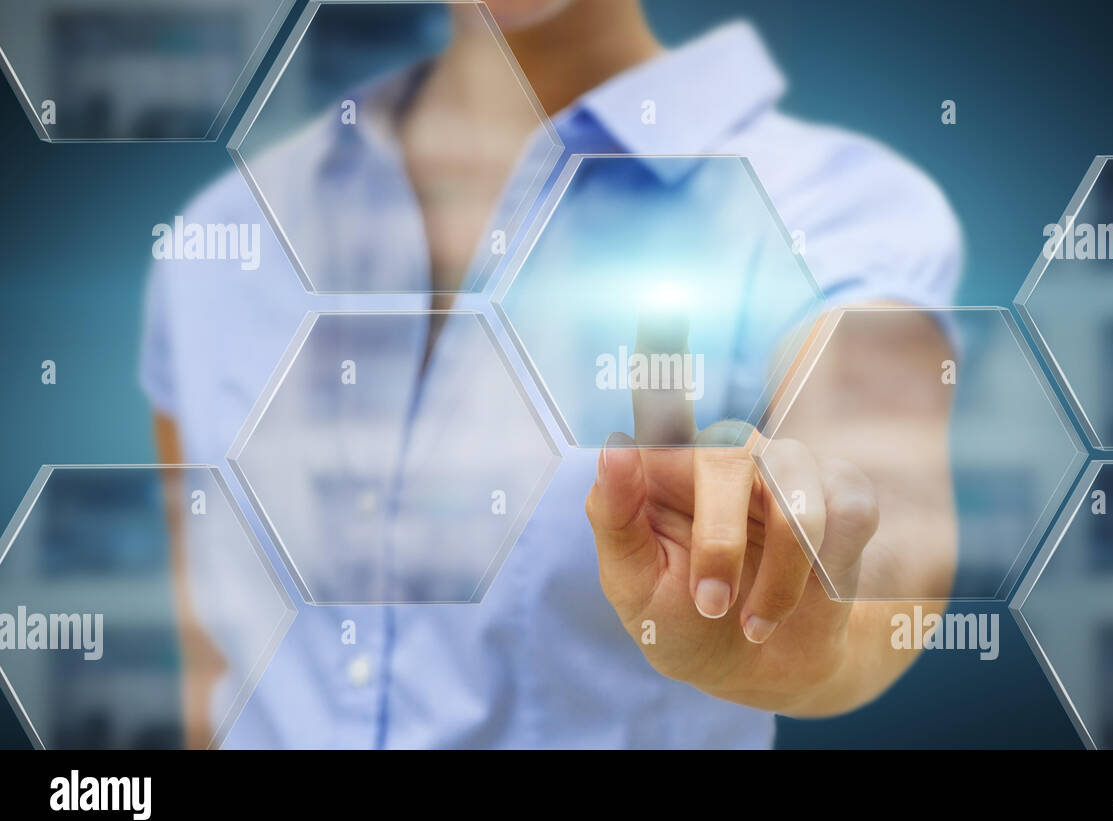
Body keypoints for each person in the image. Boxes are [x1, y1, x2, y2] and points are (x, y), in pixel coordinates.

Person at [142, 0, 962, 748]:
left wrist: (807, 618)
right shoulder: (223, 236)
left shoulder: (833, 208)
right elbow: (217, 678)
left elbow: (889, 511)